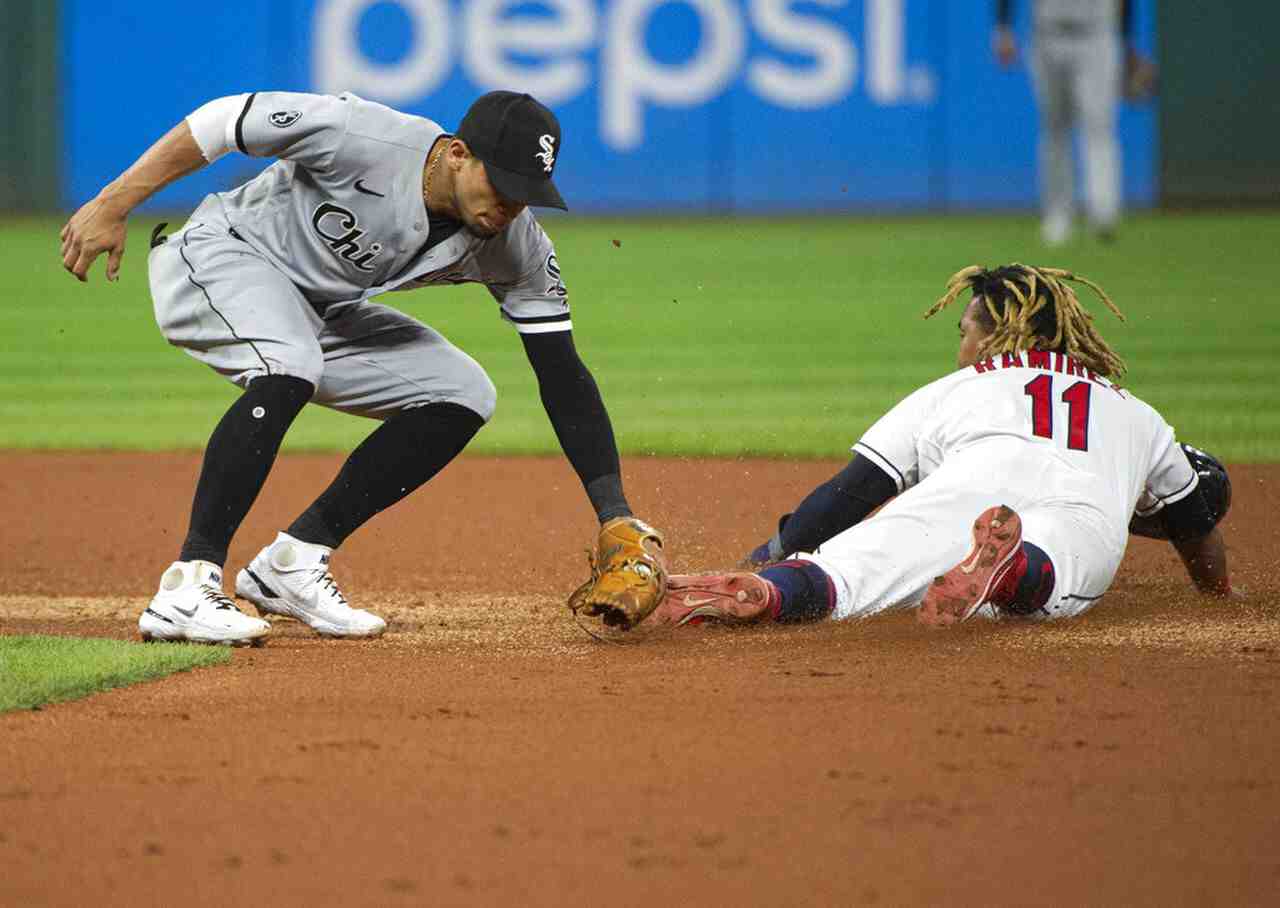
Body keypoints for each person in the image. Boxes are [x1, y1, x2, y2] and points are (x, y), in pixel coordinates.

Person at [60, 89, 659, 645]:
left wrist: (615, 513)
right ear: (456, 154)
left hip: (321, 308)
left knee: (462, 393)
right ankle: (188, 585)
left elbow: (562, 374)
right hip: (224, 254)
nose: (510, 204)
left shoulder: (516, 245)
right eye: (500, 182)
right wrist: (113, 204)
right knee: (290, 363)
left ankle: (291, 565)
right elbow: (219, 122)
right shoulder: (362, 135)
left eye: (526, 191)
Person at [633, 264, 1232, 631]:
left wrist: (770, 554)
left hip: (964, 487)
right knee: (1059, 573)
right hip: (1070, 511)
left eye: (965, 329)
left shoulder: (953, 389)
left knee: (847, 576)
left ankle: (768, 593)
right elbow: (1194, 521)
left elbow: (848, 495)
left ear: (998, 333)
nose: (962, 344)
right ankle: (1014, 568)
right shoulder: (1135, 412)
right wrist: (1218, 596)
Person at [993, 1, 1157, 245]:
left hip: (1098, 33)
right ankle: (1058, 215)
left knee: (1100, 125)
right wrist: (1003, 27)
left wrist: (1127, 41)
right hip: (1047, 35)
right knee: (1054, 128)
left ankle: (1103, 212)